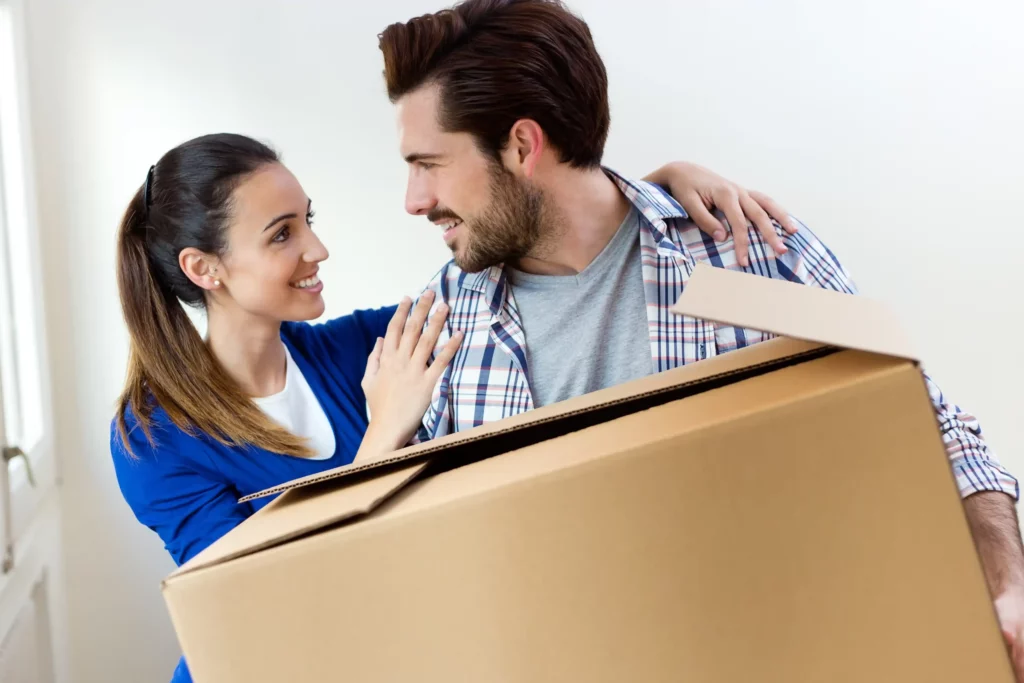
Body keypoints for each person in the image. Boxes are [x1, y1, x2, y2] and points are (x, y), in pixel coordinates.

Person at [377, 0, 1024, 676]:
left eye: (429, 163)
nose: (414, 200)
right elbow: (428, 585)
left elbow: (936, 433)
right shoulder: (441, 329)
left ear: (521, 145)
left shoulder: (746, 247)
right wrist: (382, 447)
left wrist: (1008, 586)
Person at [110, 133, 800, 683]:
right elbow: (256, 606)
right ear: (206, 269)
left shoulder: (357, 351)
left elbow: (519, 274)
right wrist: (384, 433)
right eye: (282, 233)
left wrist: (656, 192)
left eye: (308, 222)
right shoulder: (151, 439)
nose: (318, 248)